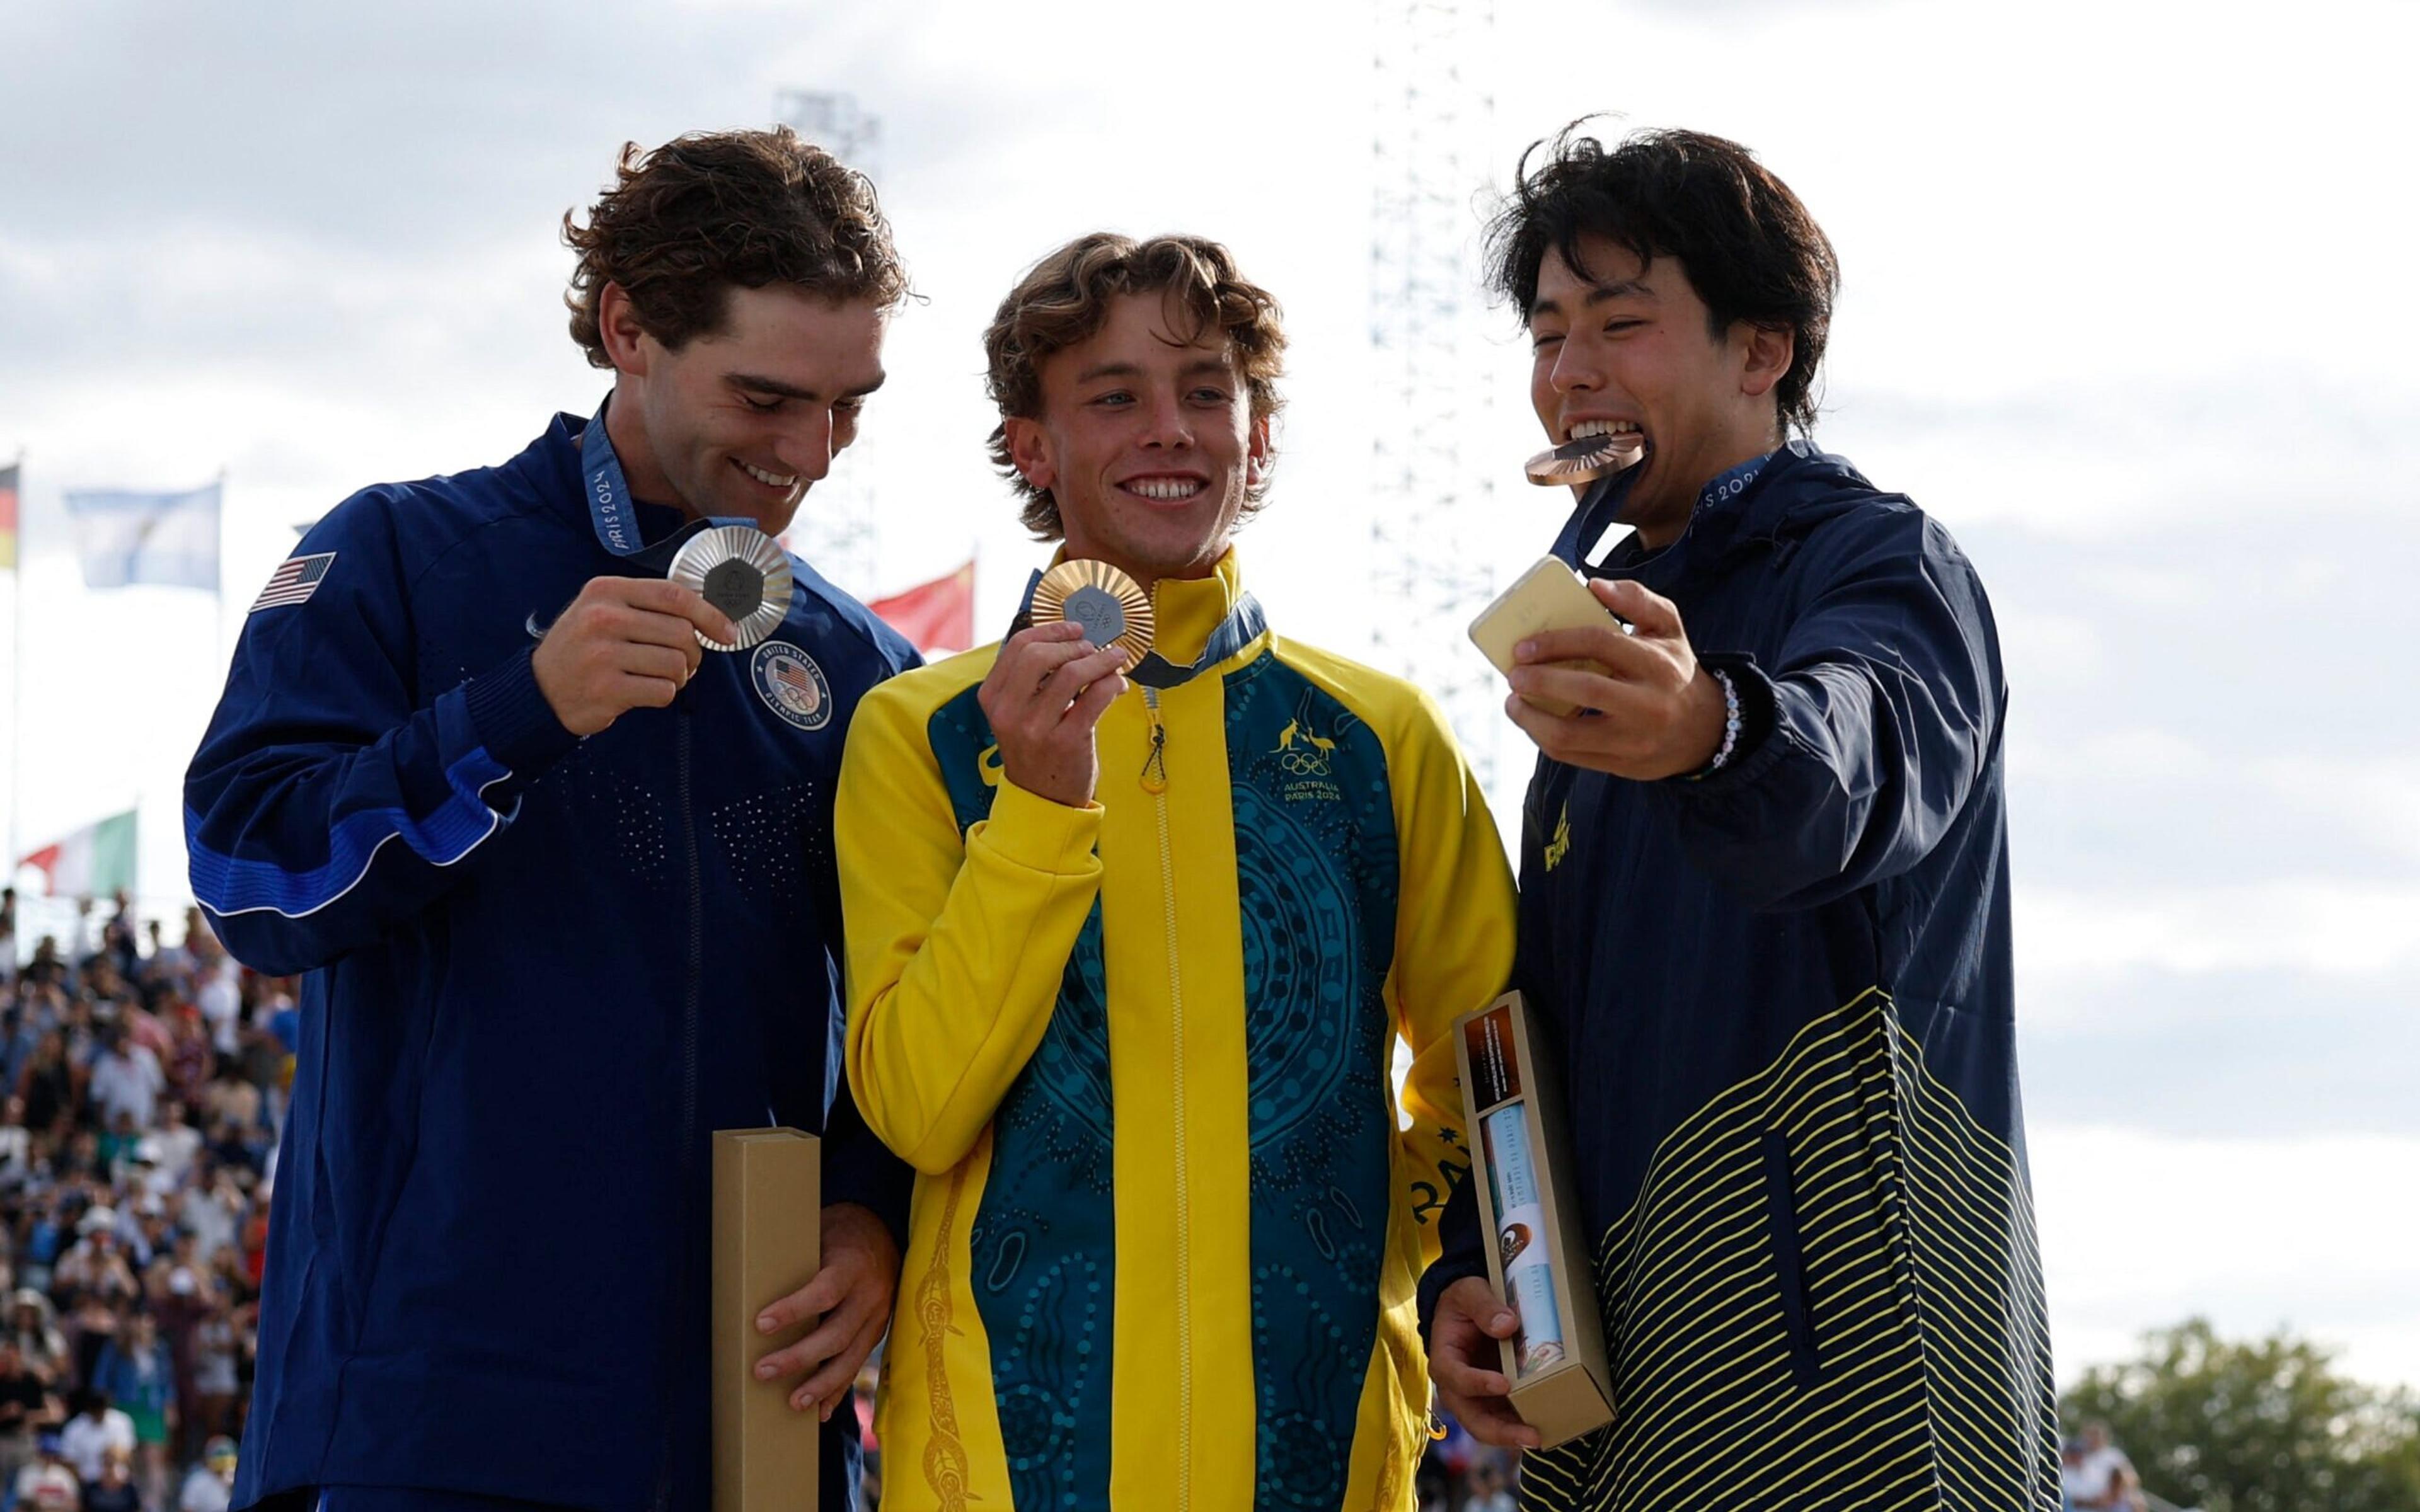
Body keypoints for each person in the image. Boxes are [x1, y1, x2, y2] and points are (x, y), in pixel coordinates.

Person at [182, 126, 921, 1511]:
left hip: (748, 1440)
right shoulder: (401, 555)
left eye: (849, 406)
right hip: (431, 1432)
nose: (809, 455)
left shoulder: (861, 665)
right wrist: (514, 713)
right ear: (626, 328)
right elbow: (247, 876)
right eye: (766, 397)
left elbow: (908, 1006)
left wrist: (874, 1208)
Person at [1420, 123, 2060, 1506]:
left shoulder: (1880, 562)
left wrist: (1716, 728)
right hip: (1616, 1400)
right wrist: (1475, 1260)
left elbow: (1860, 756)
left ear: (1760, 353)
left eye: (1623, 322)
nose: (1571, 370)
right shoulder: (1594, 646)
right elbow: (1546, 1020)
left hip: (1858, 1388)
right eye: (1546, 334)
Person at [836, 232, 1516, 1510]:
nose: (1172, 430)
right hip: (997, 1465)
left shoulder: (1383, 737)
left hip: (1330, 1459)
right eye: (1114, 397)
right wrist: (1036, 811)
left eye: (1208, 392)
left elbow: (1486, 1067)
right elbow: (917, 1106)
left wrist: (1424, 1248)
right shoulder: (918, 733)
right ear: (1031, 446)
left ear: (1258, 440)